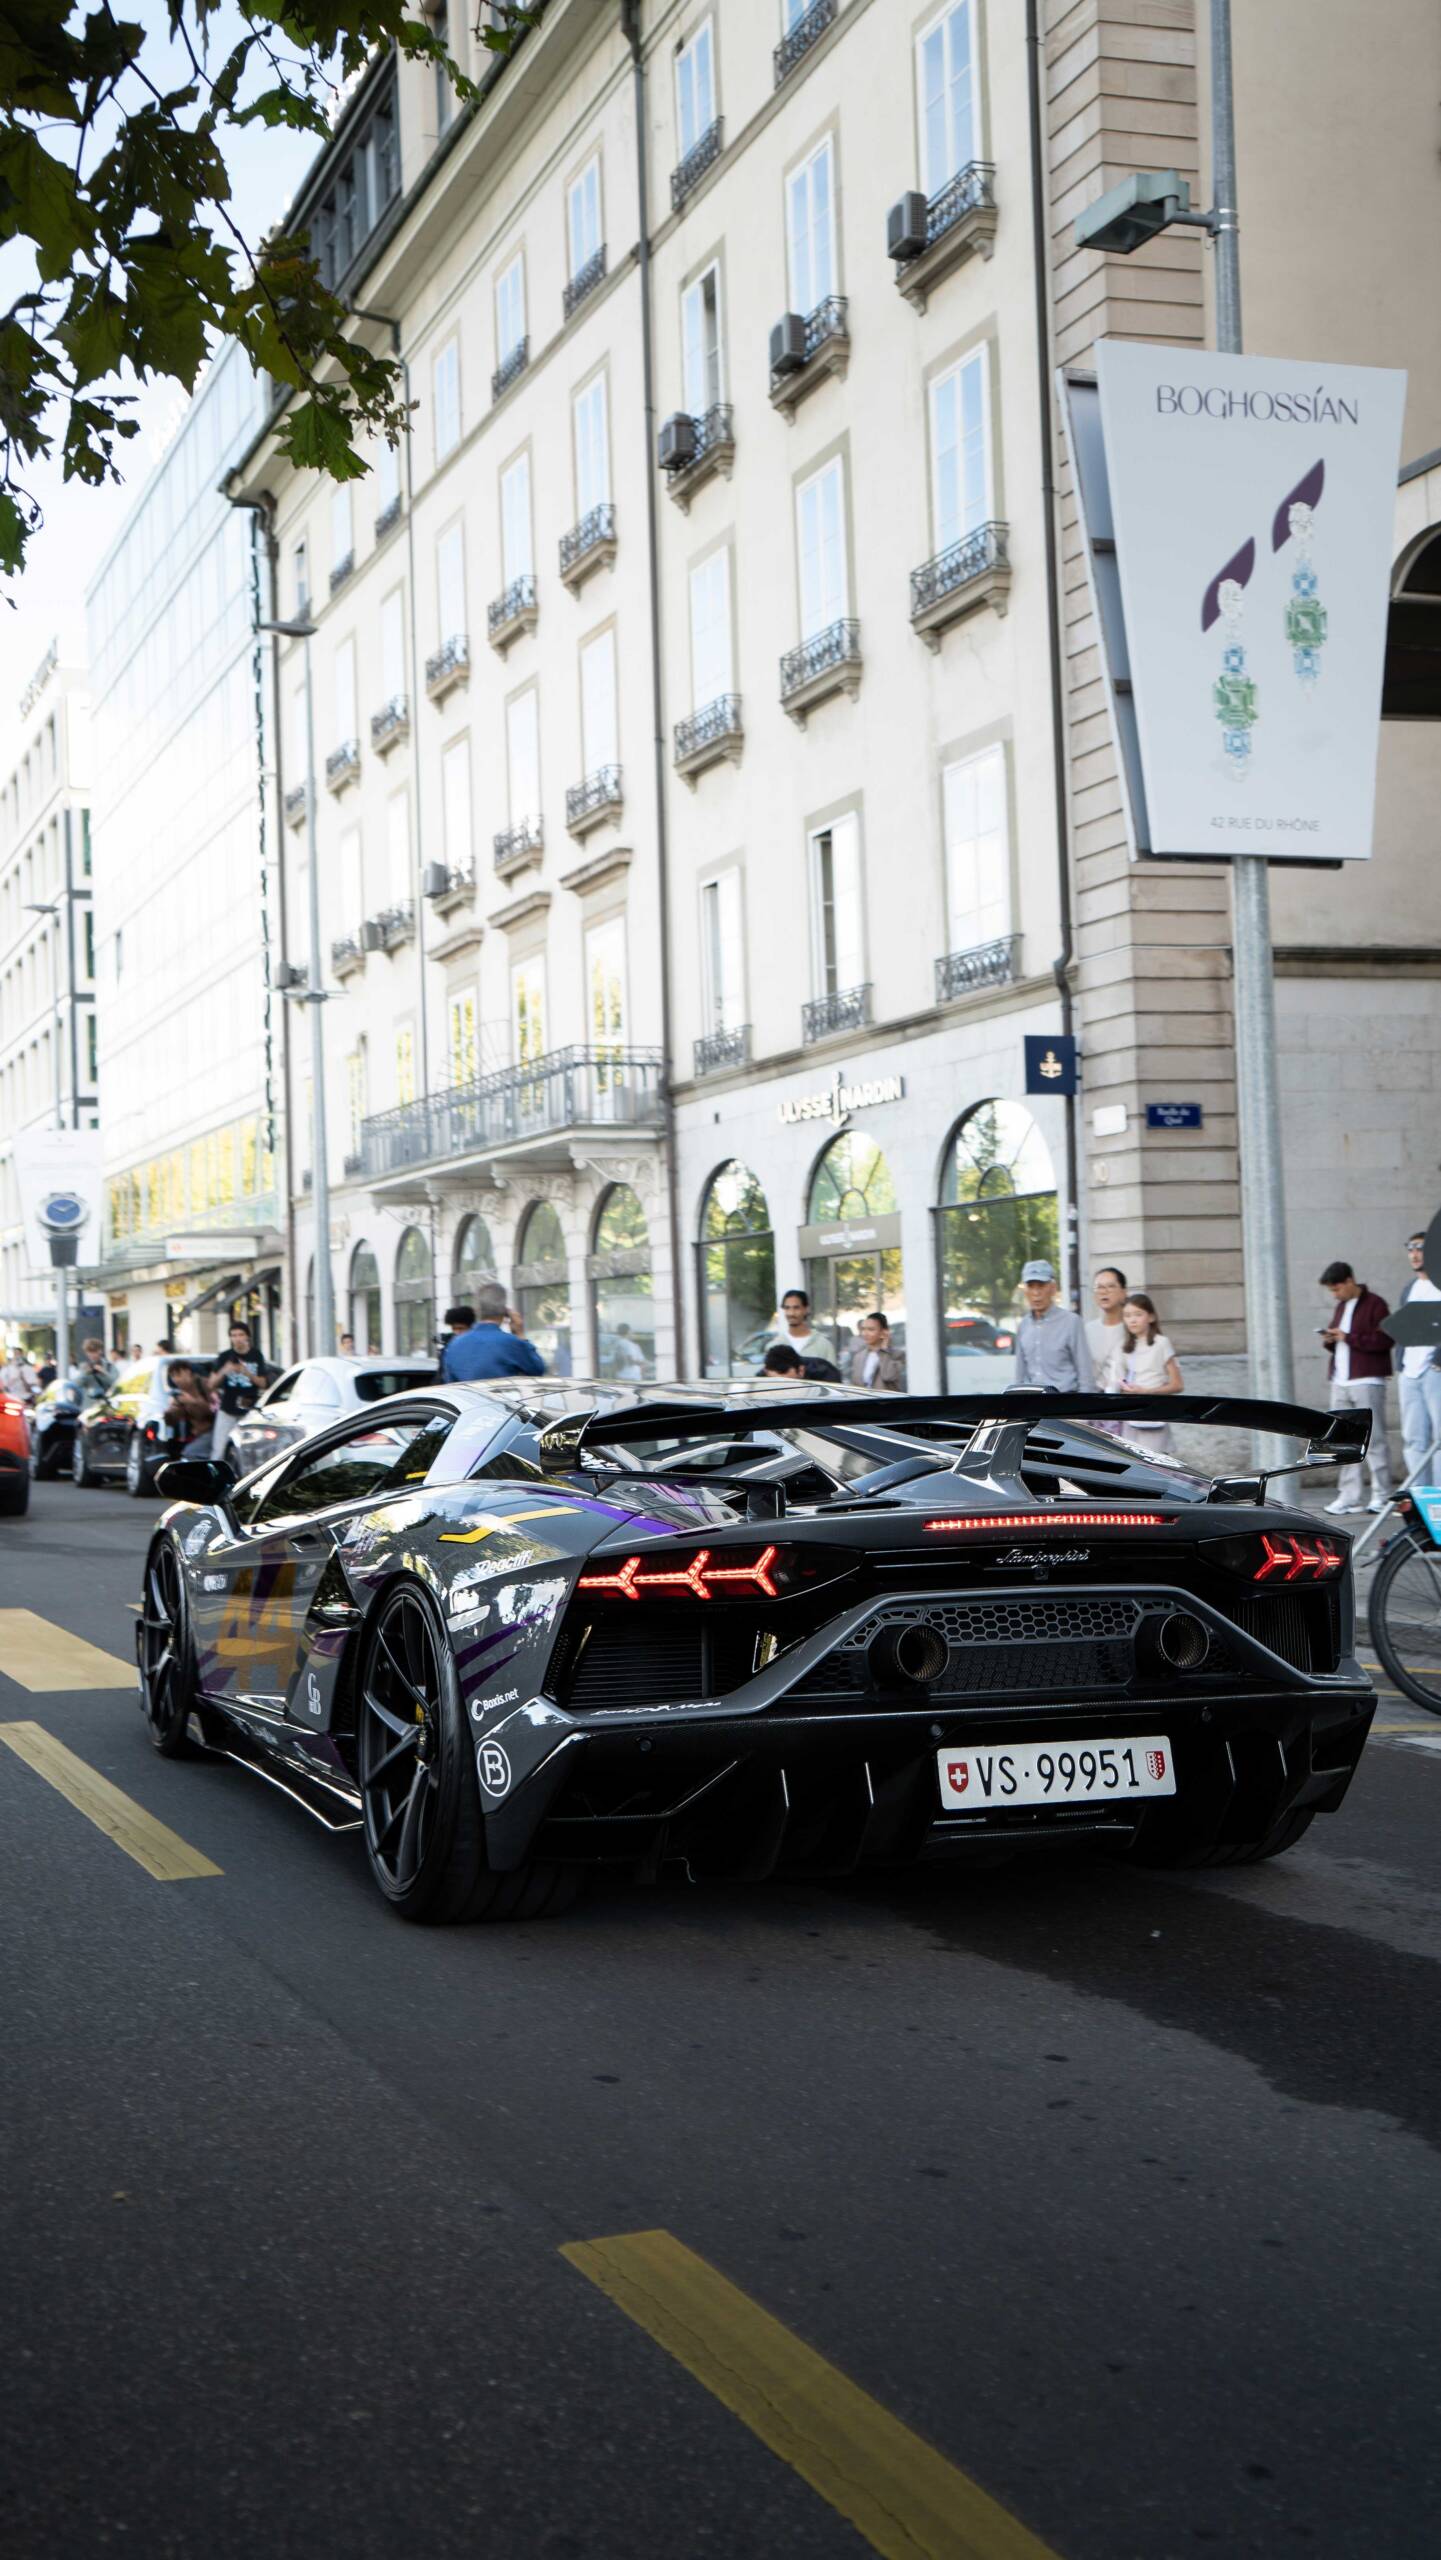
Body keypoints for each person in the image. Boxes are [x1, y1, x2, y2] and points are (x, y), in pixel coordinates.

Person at [1317, 1261, 1393, 1515]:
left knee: (1375, 1439)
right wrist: (1331, 1339)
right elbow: (1341, 1343)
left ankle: (1382, 1495)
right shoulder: (1341, 1306)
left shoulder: (1376, 1304)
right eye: (1332, 1290)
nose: (1335, 1295)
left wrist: (1347, 1337)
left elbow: (1384, 1340)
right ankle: (1349, 1497)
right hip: (1340, 1380)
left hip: (1366, 1380)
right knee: (1344, 1441)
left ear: (1350, 1281)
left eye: (1337, 1289)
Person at [1102, 1293, 1183, 1450]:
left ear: (1151, 1317)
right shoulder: (1123, 1346)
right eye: (1127, 1315)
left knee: (1152, 1461)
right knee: (1130, 1460)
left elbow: (1177, 1385)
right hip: (1131, 1417)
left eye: (1138, 1314)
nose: (1132, 1320)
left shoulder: (1161, 1343)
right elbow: (1116, 1380)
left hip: (1154, 1415)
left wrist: (1146, 1391)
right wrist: (1121, 1385)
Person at [1397, 1230, 1441, 1492]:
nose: (1414, 1254)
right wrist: (1401, 1363)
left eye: (1420, 1248)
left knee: (1439, 1439)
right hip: (1410, 1372)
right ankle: (1421, 1496)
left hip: (1435, 1370)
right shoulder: (1409, 1289)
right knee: (1414, 1440)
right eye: (1410, 1248)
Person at [1012, 1262, 1094, 1391]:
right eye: (1031, 1286)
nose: (1036, 1293)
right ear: (1025, 1290)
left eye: (1041, 1286)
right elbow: (1020, 1374)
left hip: (1065, 1398)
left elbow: (1085, 1374)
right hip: (1032, 1399)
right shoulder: (1024, 1325)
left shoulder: (1072, 1322)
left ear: (1053, 1288)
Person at [442, 1281, 545, 1381]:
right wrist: (520, 1334)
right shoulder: (511, 1343)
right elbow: (537, 1370)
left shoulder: (454, 1345)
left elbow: (449, 1382)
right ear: (505, 1311)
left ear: (477, 1310)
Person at [208, 1320, 278, 1462]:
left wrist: (247, 1373)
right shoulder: (225, 1356)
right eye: (234, 1335)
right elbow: (211, 1384)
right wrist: (224, 1370)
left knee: (248, 1451)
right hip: (227, 1410)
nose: (237, 1339)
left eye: (241, 1335)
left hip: (248, 1411)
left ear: (247, 1337)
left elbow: (263, 1383)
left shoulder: (256, 1355)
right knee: (220, 1449)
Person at [163, 1359, 216, 1455]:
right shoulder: (180, 1393)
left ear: (187, 1372)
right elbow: (173, 1420)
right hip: (197, 1435)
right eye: (172, 1376)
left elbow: (215, 1410)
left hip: (214, 1431)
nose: (176, 1379)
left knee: (190, 1453)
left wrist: (194, 1401)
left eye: (178, 1374)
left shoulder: (205, 1385)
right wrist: (169, 1412)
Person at [1085, 1267, 1128, 1381]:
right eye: (1099, 1287)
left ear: (1123, 1292)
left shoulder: (1133, 1328)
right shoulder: (1087, 1330)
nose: (1104, 1291)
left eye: (1111, 1286)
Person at [845, 1312, 906, 1391]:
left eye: (871, 1329)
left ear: (883, 1332)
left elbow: (888, 1376)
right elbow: (855, 1385)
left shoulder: (897, 1355)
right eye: (863, 1329)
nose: (865, 1333)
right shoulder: (859, 1356)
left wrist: (884, 1349)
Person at [767, 1289, 828, 1365]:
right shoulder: (774, 1346)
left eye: (796, 1308)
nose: (791, 1313)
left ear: (806, 1309)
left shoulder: (823, 1345)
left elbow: (832, 1372)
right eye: (787, 1308)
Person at [762, 1341, 842, 1384]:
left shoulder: (825, 1374)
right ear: (766, 1371)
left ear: (801, 1371)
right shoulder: (760, 1380)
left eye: (788, 1384)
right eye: (774, 1384)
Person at [69, 1338, 117, 1406]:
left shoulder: (109, 1366)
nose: (92, 1355)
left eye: (94, 1351)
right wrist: (85, 1373)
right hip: (90, 1405)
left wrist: (104, 1373)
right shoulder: (83, 1366)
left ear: (100, 1351)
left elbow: (116, 1384)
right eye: (89, 1352)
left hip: (107, 1404)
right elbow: (75, 1384)